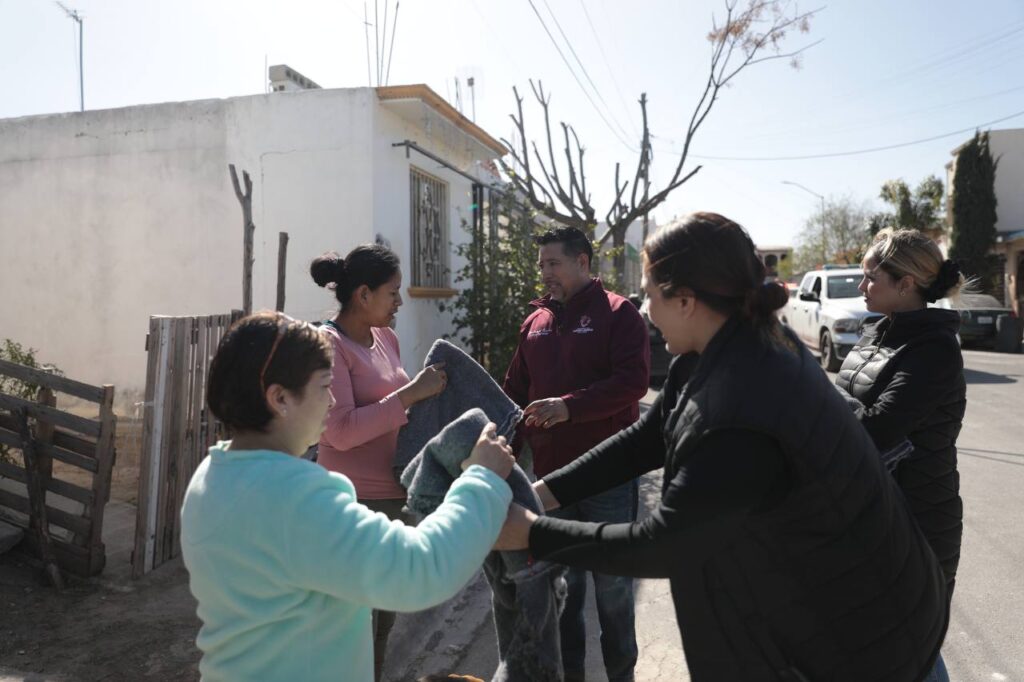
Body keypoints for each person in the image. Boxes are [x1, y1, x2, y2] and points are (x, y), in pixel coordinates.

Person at [496, 213, 949, 682]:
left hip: (858, 643)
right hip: (826, 617)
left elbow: (667, 546)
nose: (646, 311)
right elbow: (645, 440)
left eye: (651, 295)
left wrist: (532, 533)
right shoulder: (718, 350)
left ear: (687, 301)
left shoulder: (742, 402)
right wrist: (544, 492)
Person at [180, 311, 515, 682]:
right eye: (325, 386)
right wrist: (482, 479)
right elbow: (420, 569)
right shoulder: (296, 499)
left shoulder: (212, 476)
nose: (332, 400)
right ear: (279, 398)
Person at [502, 226, 650, 682]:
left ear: (583, 262)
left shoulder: (618, 314)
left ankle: (621, 675)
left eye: (554, 263)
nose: (545, 272)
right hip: (550, 483)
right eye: (542, 264)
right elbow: (515, 396)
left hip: (608, 477)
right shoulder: (535, 323)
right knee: (563, 592)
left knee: (614, 592)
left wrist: (569, 407)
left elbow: (632, 382)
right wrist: (501, 454)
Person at [309, 245, 449, 680]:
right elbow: (341, 431)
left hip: (394, 496)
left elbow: (397, 416)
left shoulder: (385, 338)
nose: (400, 303)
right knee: (349, 626)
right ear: (363, 294)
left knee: (382, 621)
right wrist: (412, 394)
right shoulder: (329, 345)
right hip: (353, 501)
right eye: (392, 293)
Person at [835, 228, 968, 682]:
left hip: (916, 524)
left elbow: (876, 428)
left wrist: (812, 401)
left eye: (871, 276)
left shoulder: (934, 350)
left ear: (906, 284)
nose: (861, 285)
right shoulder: (877, 331)